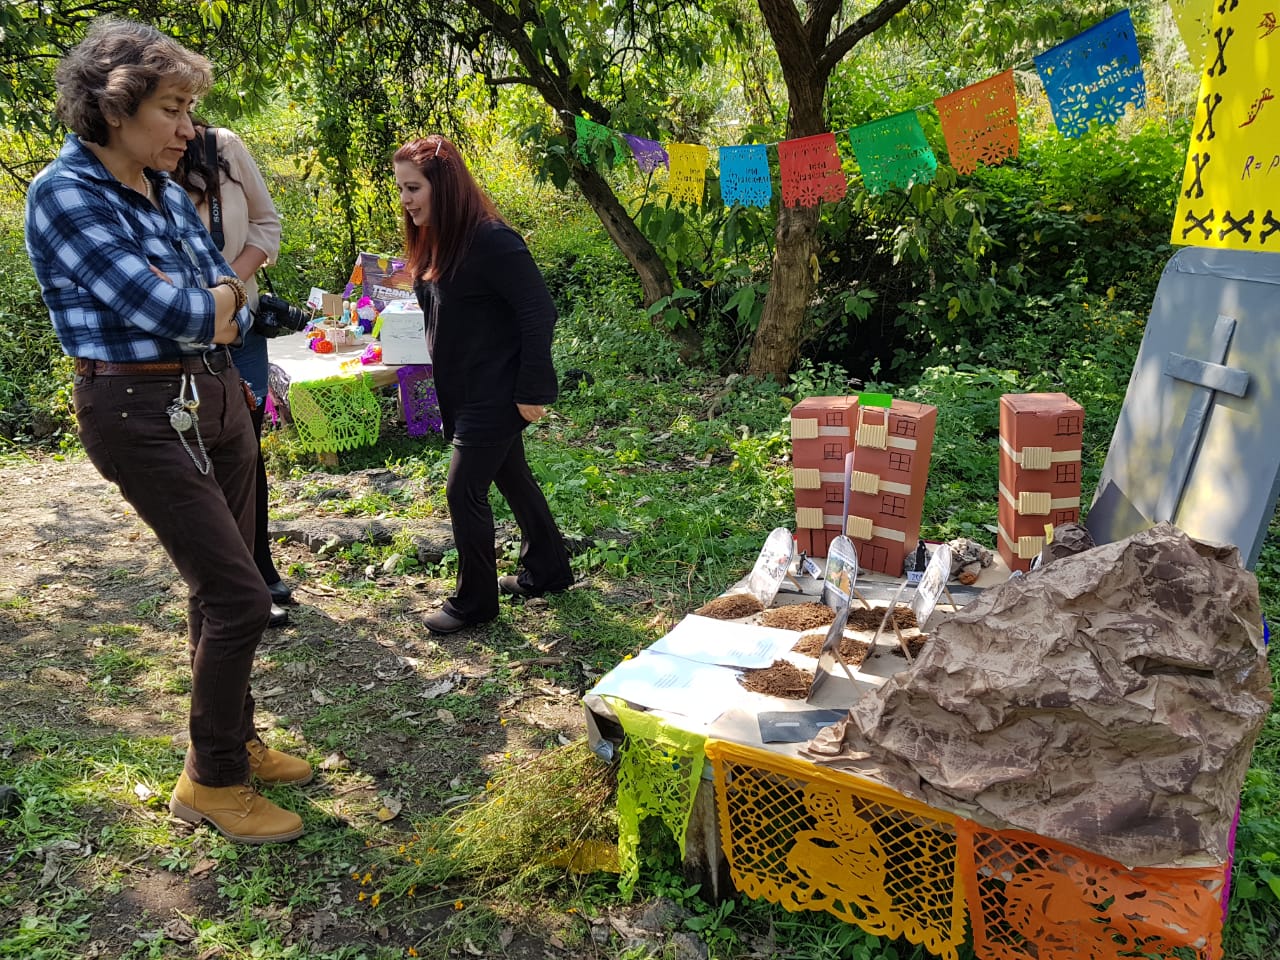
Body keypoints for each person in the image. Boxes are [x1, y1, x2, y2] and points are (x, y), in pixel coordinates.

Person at [24, 17, 311, 843]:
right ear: (115, 107)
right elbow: (173, 307)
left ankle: (232, 739)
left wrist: (215, 307)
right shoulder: (66, 192)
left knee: (218, 587)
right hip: (139, 409)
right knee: (239, 595)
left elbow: (222, 282)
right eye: (174, 109)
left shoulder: (163, 186)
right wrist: (214, 308)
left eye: (190, 110)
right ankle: (210, 784)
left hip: (213, 396)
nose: (190, 129)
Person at [392, 135, 573, 634]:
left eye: (413, 188)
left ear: (444, 186)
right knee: (511, 474)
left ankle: (475, 602)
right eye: (401, 189)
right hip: (464, 389)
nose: (406, 200)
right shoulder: (439, 242)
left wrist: (534, 388)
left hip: (497, 390)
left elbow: (539, 311)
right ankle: (549, 569)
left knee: (462, 490)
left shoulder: (493, 240)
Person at [173, 122, 292, 628]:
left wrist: (231, 287)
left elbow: (266, 226)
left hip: (241, 328)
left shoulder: (221, 147)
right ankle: (227, 584)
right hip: (181, 339)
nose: (178, 125)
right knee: (197, 459)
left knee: (246, 450)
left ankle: (258, 567)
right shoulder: (130, 170)